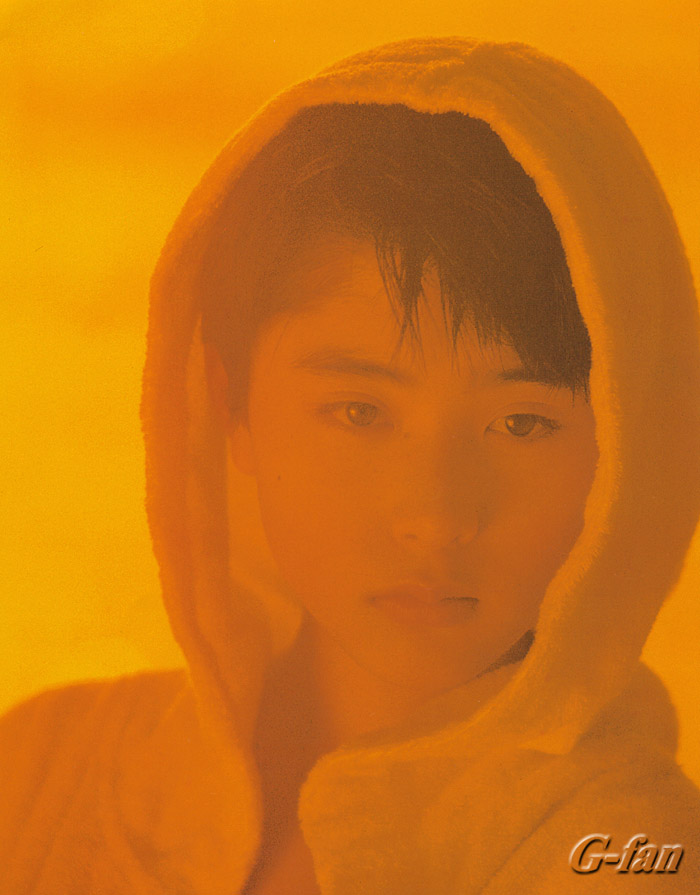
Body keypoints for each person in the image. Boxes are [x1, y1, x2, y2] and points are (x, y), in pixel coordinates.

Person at [1, 36, 699, 894]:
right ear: (229, 404)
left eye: (521, 423)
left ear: (628, 449)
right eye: (360, 412)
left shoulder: (629, 850)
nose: (435, 516)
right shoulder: (37, 771)